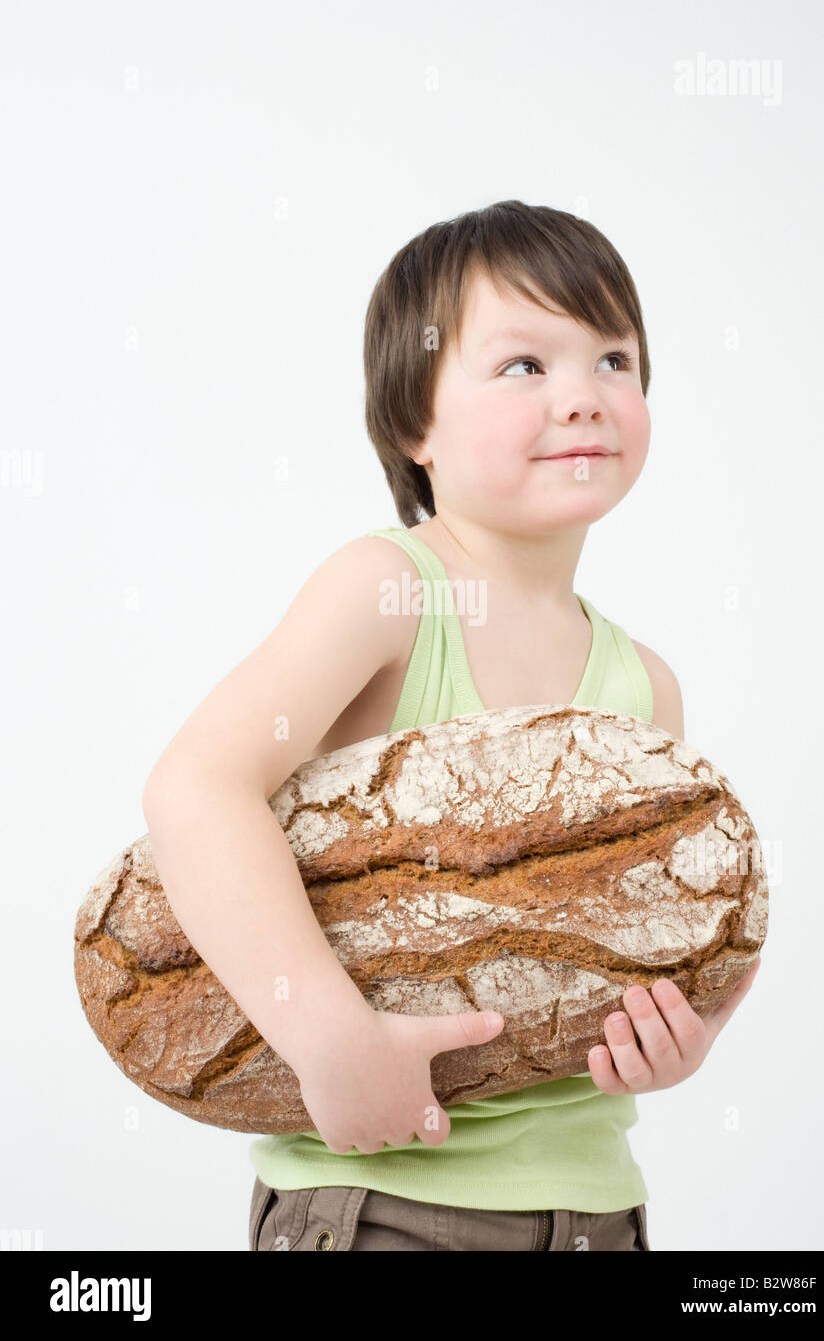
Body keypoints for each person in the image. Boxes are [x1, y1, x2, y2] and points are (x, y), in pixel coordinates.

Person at [142, 199, 759, 1252]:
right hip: (386, 1206)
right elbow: (195, 789)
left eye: (613, 358)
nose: (583, 397)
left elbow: (658, 934)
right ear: (409, 425)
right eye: (525, 365)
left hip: (597, 1211)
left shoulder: (643, 686)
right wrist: (327, 1039)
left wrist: (681, 1035)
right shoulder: (388, 591)